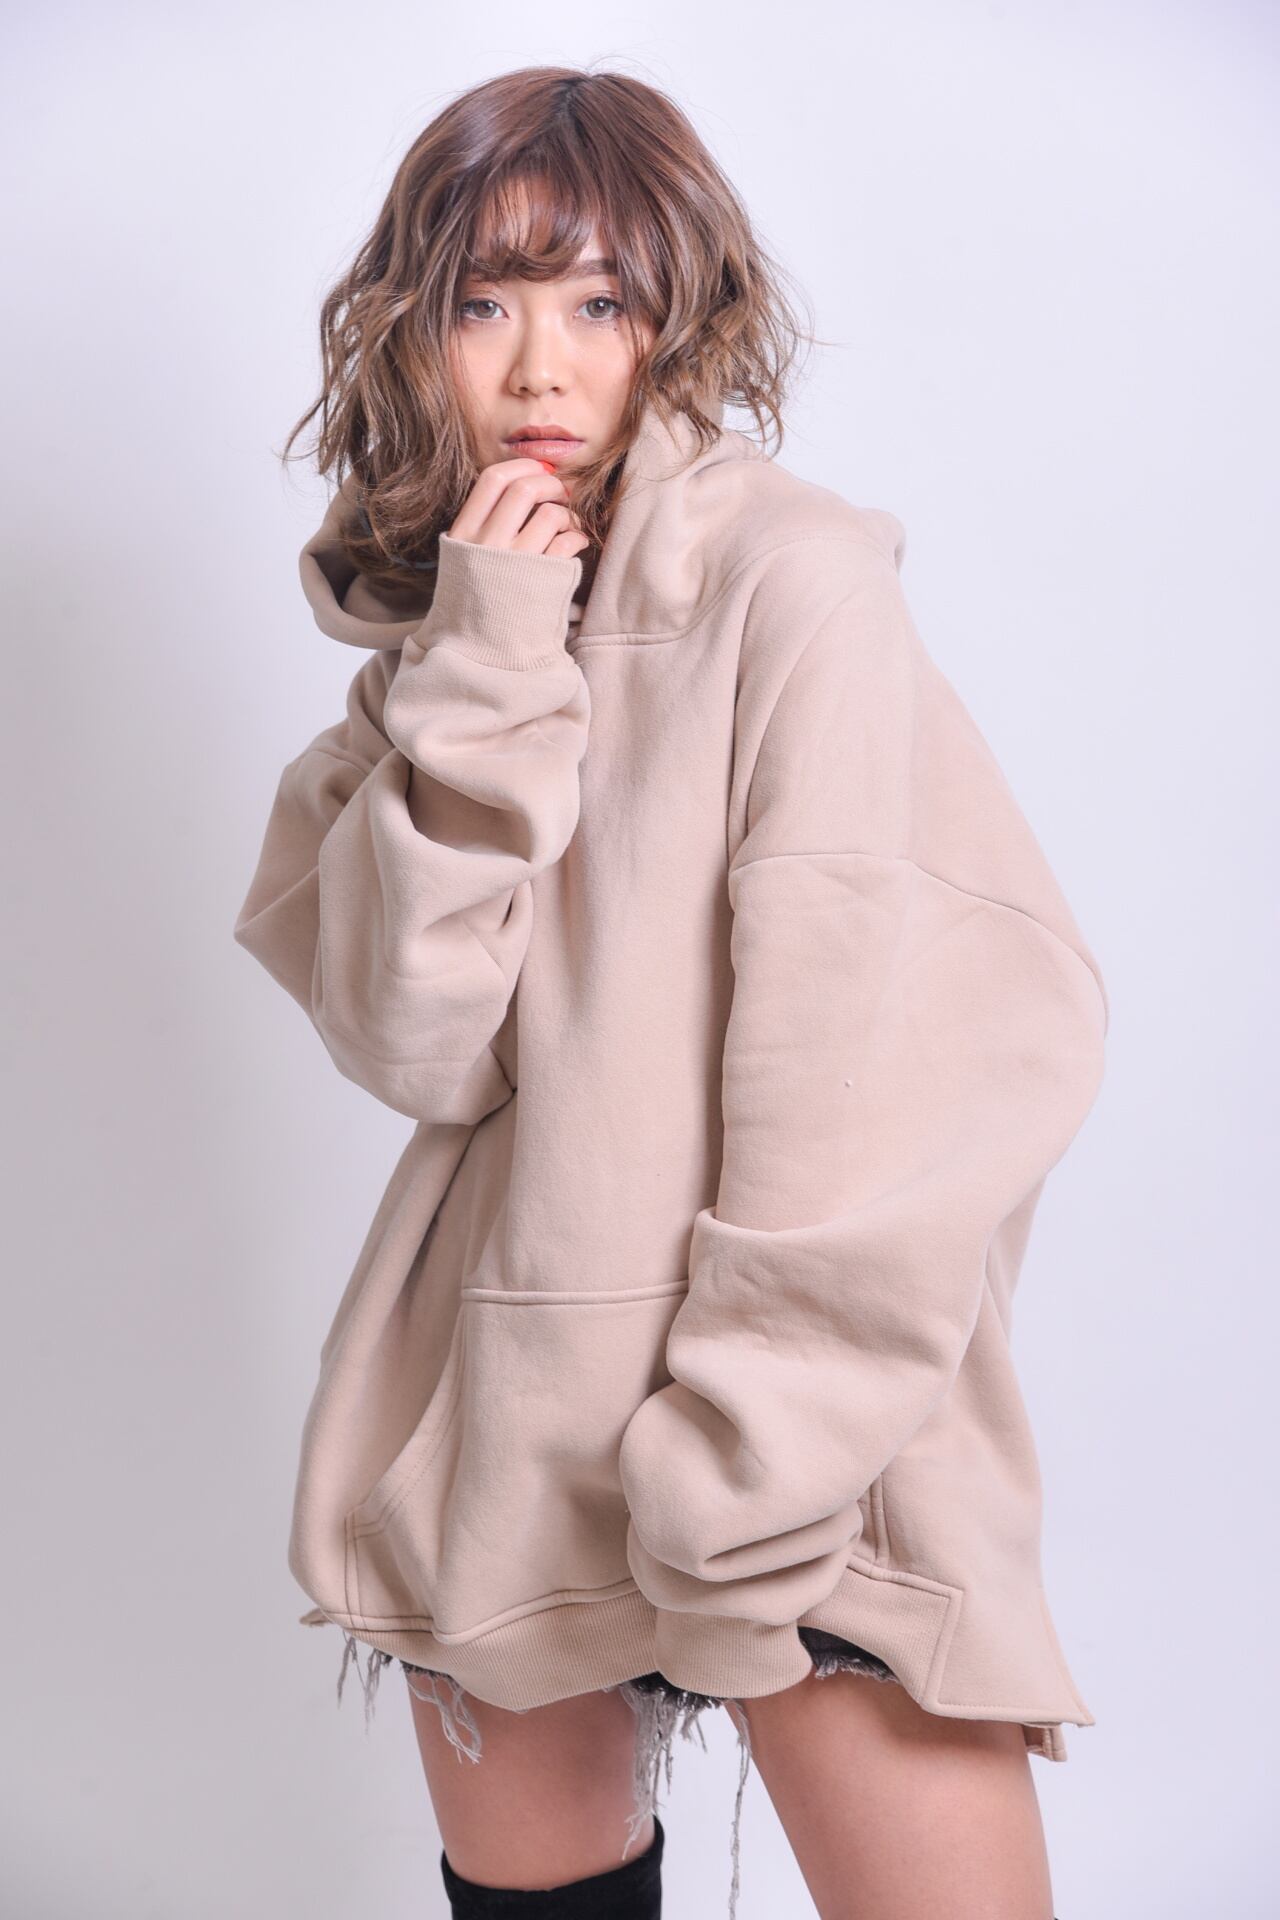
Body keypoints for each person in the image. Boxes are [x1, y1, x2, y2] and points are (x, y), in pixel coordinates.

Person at [232, 64, 1104, 1920]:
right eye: (484, 303)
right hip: (514, 1426)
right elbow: (419, 1046)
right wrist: (486, 659)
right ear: (414, 333)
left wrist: (747, 1452)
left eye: (599, 301)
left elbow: (895, 1053)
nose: (540, 369)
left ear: (679, 317)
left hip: (799, 1449)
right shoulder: (445, 643)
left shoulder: (794, 580)